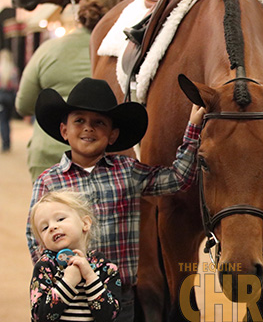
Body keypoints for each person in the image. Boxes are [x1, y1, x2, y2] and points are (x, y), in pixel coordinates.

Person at [25, 77, 204, 322]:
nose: (88, 128)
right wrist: (54, 276)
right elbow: (33, 234)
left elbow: (177, 179)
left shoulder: (126, 171)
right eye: (79, 121)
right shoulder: (48, 181)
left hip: (117, 295)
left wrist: (193, 127)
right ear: (64, 131)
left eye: (99, 122)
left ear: (112, 135)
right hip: (67, 297)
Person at [16, 0, 120, 182]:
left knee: (50, 212)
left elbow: (24, 105)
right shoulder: (117, 53)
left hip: (47, 154)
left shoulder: (48, 50)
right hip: (102, 155)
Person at [29, 190, 121, 321]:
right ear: (42, 242)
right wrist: (68, 282)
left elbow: (109, 315)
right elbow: (40, 316)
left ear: (85, 223)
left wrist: (90, 276)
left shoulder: (106, 267)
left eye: (60, 219)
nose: (52, 227)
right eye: (44, 227)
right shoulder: (45, 267)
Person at [0, 48, 19, 152]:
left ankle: (5, 143)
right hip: (10, 96)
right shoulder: (13, 70)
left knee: (2, 121)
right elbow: (16, 85)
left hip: (1, 96)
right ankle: (8, 142)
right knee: (8, 120)